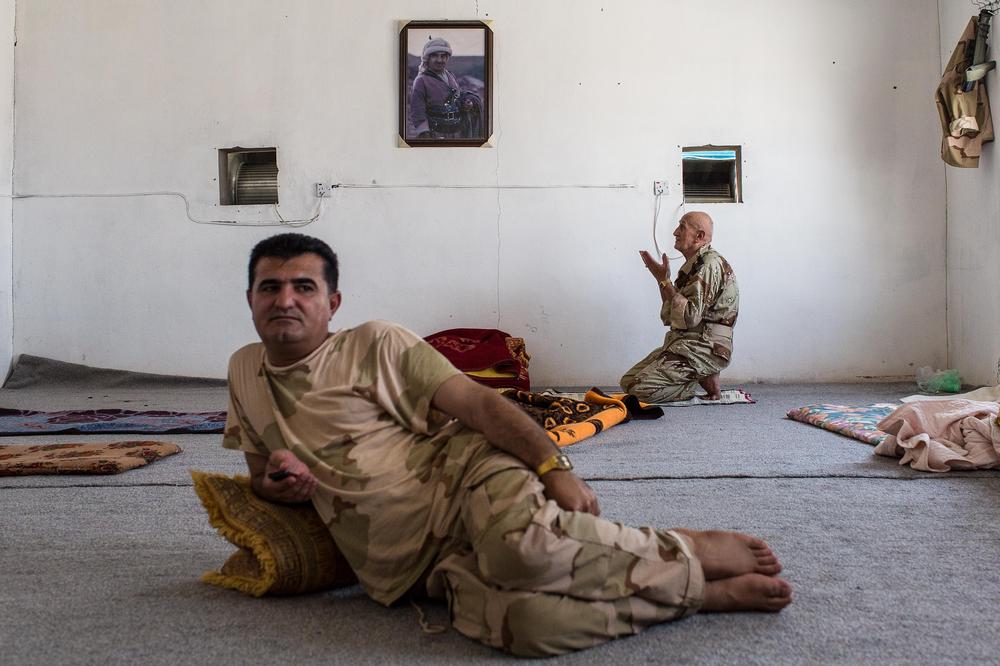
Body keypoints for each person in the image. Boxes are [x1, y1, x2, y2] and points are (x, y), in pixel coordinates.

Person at [222, 233, 789, 657]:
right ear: (250, 298)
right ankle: (698, 593)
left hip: (466, 476)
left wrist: (554, 466)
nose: (286, 300)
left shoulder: (375, 342)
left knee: (526, 553)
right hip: (415, 564)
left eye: (304, 287)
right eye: (270, 287)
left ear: (333, 302)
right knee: (532, 627)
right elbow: (259, 476)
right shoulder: (243, 371)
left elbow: (480, 404)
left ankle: (682, 547)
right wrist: (276, 486)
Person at [620, 211, 739, 403]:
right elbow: (672, 315)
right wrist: (662, 280)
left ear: (699, 236)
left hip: (704, 346)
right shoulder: (695, 265)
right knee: (627, 382)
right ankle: (701, 374)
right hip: (685, 343)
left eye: (682, 227)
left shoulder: (709, 265)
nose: (675, 232)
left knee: (639, 391)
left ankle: (697, 378)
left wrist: (665, 281)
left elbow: (690, 316)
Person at [407, 37, 482, 139]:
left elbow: (457, 96)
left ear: (447, 58)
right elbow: (417, 111)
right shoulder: (421, 80)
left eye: (443, 56)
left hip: (456, 133)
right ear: (428, 58)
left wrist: (466, 103)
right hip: (435, 134)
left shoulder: (450, 75)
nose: (439, 60)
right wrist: (424, 132)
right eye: (435, 56)